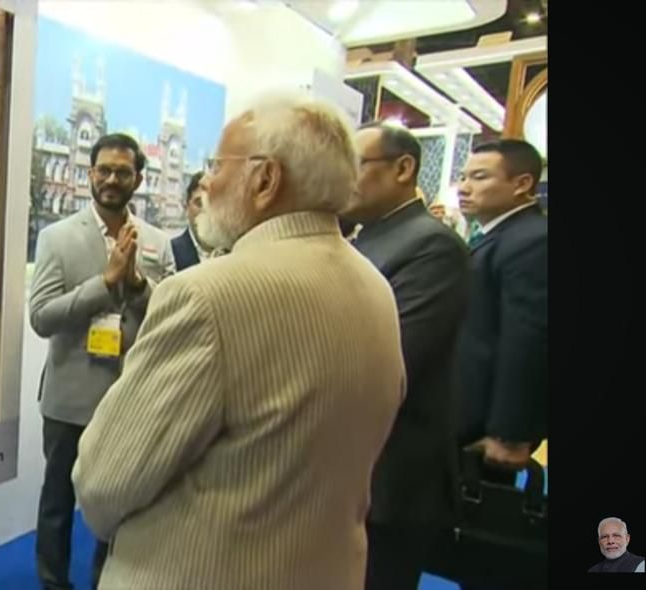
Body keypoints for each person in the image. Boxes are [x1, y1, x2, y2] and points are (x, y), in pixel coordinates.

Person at [72, 93, 404, 590]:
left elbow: (104, 481)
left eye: (217, 165)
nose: (206, 182)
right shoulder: (375, 286)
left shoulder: (207, 293)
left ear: (265, 179)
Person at [29, 132, 176, 590]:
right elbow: (41, 317)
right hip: (69, 397)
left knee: (117, 504)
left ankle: (103, 581)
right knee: (57, 503)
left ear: (138, 179)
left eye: (123, 172)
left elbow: (170, 313)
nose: (112, 180)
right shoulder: (57, 238)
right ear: (90, 173)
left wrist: (135, 284)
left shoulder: (157, 242)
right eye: (104, 170)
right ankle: (53, 582)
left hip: (128, 398)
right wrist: (103, 283)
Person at [345, 122, 471, 590]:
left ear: (403, 168)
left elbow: (393, 362)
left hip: (392, 479)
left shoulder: (431, 246)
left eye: (356, 164)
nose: (344, 177)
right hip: (355, 473)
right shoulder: (369, 237)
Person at [455, 139, 548, 474]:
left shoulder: (533, 241)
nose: (464, 187)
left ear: (522, 184)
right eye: (463, 177)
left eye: (479, 177)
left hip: (488, 428)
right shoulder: (499, 236)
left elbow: (527, 339)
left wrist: (510, 434)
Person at [170, 170, 220, 270]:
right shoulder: (171, 250)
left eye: (211, 204)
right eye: (199, 203)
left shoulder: (230, 251)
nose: (205, 211)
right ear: (187, 206)